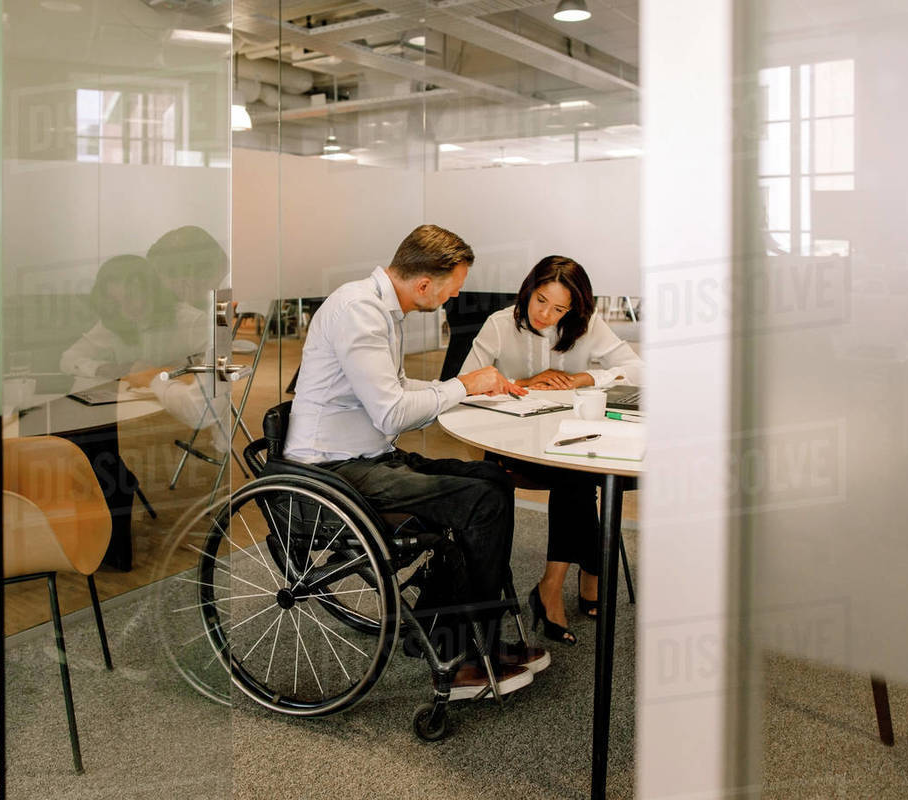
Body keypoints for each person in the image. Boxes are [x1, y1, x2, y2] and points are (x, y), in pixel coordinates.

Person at [284, 224, 548, 700]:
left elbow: (396, 389)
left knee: (493, 478)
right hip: (332, 473)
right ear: (425, 285)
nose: (457, 296)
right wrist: (463, 387)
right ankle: (465, 653)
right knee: (478, 501)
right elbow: (391, 411)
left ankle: (447, 630)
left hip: (366, 457)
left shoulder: (381, 310)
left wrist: (468, 389)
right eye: (456, 287)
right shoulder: (358, 312)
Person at [459, 255, 644, 645]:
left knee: (575, 471)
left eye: (559, 308)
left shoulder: (587, 326)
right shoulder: (499, 324)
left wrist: (584, 377)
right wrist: (527, 381)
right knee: (577, 476)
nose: (546, 314)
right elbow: (463, 385)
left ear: (574, 308)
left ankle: (551, 585)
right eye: (541, 300)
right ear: (529, 289)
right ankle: (588, 573)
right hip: (510, 444)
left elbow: (638, 369)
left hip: (568, 442)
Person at [60, 254, 224, 450]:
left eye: (131, 297)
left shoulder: (189, 321)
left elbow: (217, 378)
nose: (125, 308)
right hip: (135, 411)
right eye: (116, 301)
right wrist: (117, 368)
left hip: (181, 411)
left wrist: (167, 374)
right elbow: (68, 359)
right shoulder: (115, 320)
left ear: (151, 291)